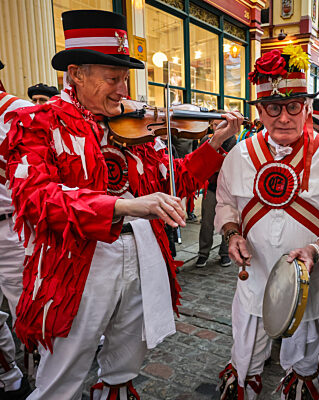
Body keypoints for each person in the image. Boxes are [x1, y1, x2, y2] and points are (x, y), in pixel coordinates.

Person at [0, 10, 242, 400]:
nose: (122, 89)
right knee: (64, 371)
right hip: (79, 259)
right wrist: (125, 208)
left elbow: (173, 179)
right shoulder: (39, 122)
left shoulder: (135, 125)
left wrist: (214, 144)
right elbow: (36, 197)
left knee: (127, 357)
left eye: (124, 78)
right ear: (76, 74)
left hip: (143, 252)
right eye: (113, 79)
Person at [215, 44, 319, 399]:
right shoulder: (239, 155)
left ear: (307, 108)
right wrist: (232, 233)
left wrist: (316, 248)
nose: (284, 118)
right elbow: (225, 203)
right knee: (246, 351)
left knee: (303, 360)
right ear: (260, 111)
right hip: (254, 274)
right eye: (273, 108)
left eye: (293, 107)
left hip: (312, 279)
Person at [0, 90, 33, 399]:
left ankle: (44, 379)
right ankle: (9, 376)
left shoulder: (17, 109)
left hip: (12, 225)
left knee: (28, 310)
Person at [196, 119, 236, 268]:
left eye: (221, 124)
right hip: (211, 187)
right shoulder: (206, 139)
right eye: (214, 125)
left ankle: (225, 254)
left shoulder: (233, 140)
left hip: (228, 188)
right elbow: (199, 160)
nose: (217, 128)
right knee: (207, 222)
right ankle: (203, 254)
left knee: (228, 221)